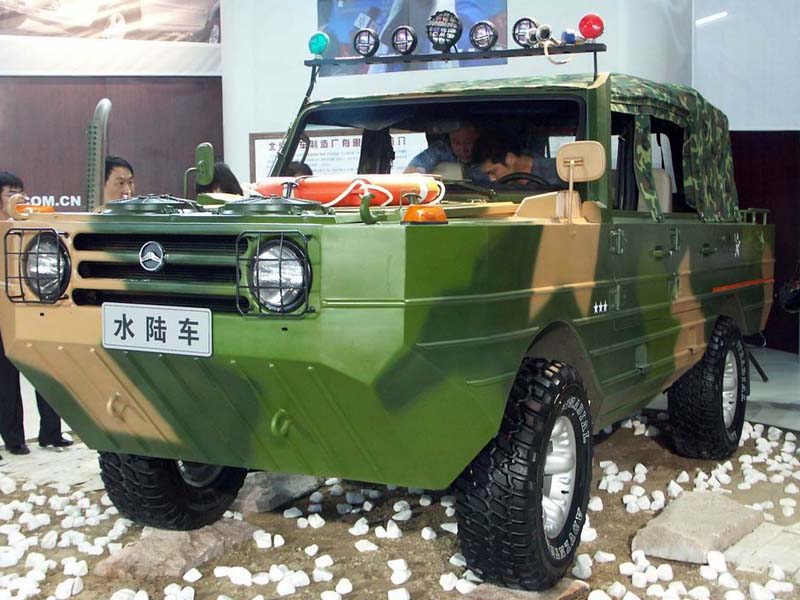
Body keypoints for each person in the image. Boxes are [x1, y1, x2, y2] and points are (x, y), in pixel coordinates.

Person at [0, 172, 73, 454]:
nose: (19, 198)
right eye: (11, 193)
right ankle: (14, 440)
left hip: (32, 311)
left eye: (22, 192)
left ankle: (51, 433)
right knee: (6, 382)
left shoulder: (30, 227)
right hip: (3, 314)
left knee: (45, 372)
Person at [472, 131, 560, 185]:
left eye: (493, 172)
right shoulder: (491, 187)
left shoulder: (559, 172)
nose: (491, 179)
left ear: (510, 159)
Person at [404, 122, 481, 177]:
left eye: (468, 143)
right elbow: (411, 173)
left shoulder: (487, 155)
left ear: (478, 139)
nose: (462, 149)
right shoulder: (441, 150)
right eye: (456, 143)